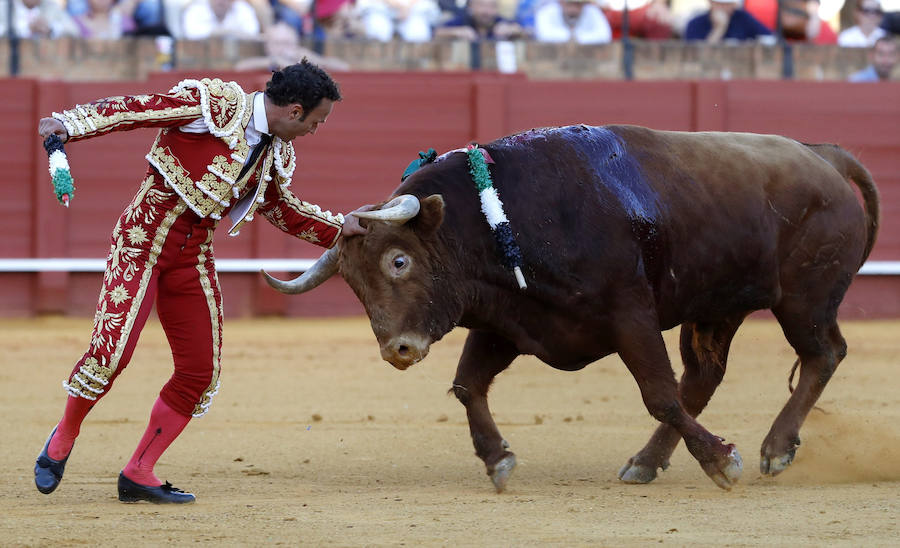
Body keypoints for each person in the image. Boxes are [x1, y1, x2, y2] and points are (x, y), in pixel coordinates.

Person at [33, 60, 369, 504]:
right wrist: (70, 124)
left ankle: (139, 471)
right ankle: (65, 433)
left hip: (191, 256)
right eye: (316, 121)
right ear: (294, 110)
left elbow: (280, 208)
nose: (315, 131)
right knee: (111, 354)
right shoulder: (214, 105)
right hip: (141, 243)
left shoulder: (275, 152)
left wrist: (339, 229)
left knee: (199, 370)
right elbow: (139, 108)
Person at [234, 21, 351, 72]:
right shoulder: (262, 64)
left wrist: (316, 60)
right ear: (267, 46)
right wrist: (274, 61)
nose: (283, 48)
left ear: (296, 45)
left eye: (288, 43)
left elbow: (345, 69)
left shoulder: (303, 61)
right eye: (278, 43)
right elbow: (238, 69)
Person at [684, 0, 773, 42]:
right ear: (710, 3)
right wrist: (719, 29)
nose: (723, 7)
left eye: (727, 4)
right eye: (719, 4)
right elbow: (697, 58)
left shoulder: (744, 19)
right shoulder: (695, 24)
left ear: (734, 5)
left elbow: (769, 38)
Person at [434, 0, 525, 40]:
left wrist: (513, 30)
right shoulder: (462, 21)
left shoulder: (502, 22)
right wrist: (455, 32)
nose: (486, 11)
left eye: (491, 6)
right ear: (471, 6)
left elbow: (527, 32)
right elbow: (436, 33)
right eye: (481, 5)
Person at [533, 0, 613, 44]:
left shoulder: (592, 12)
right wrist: (571, 37)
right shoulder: (547, 11)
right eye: (570, 3)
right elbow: (543, 34)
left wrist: (577, 38)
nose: (574, 7)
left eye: (577, 4)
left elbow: (605, 35)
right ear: (561, 2)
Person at [180, 0, 262, 40]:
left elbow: (253, 33)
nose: (221, 2)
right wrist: (227, 32)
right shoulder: (196, 8)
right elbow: (190, 33)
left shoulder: (242, 8)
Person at [0, 0, 80, 38]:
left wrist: (50, 30)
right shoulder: (4, 6)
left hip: (45, 66)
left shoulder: (51, 6)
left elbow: (74, 32)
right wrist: (26, 29)